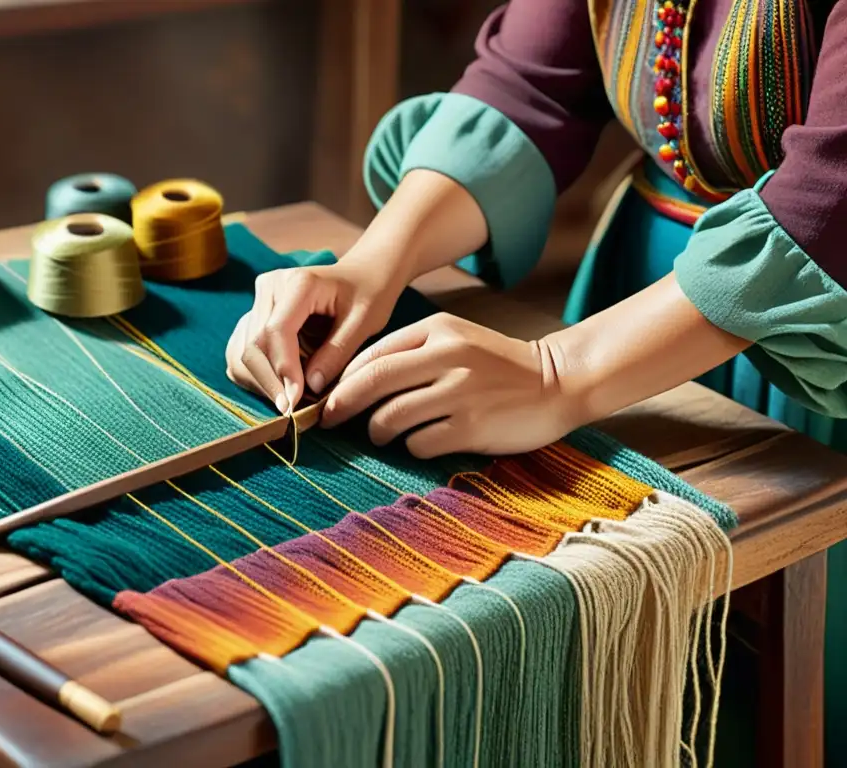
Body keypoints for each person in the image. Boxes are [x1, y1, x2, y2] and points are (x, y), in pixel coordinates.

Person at [225, 0, 847, 758]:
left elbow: (830, 197)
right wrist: (372, 264)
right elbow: (535, 87)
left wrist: (561, 371)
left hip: (809, 339)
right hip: (640, 311)